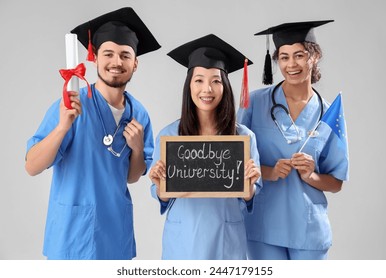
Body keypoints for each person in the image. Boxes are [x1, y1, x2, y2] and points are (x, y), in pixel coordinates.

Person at [24, 7, 161, 259]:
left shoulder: (139, 113)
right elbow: (31, 165)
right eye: (108, 53)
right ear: (95, 58)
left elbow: (131, 177)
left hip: (115, 233)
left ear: (135, 63)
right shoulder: (72, 104)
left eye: (125, 55)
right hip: (71, 234)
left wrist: (138, 148)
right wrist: (63, 126)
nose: (116, 62)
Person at [237, 20, 349, 260]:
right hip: (262, 226)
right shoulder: (254, 104)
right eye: (284, 57)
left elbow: (336, 182)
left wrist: (311, 176)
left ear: (314, 56)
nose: (291, 64)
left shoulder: (328, 115)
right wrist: (269, 172)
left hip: (308, 229)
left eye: (299, 55)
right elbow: (233, 163)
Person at [149, 34, 262, 260]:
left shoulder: (243, 137)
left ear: (225, 86)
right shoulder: (169, 135)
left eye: (216, 81)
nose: (207, 89)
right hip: (183, 238)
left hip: (225, 236)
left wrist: (250, 188)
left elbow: (251, 193)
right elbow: (160, 193)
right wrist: (159, 185)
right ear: (189, 85)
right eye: (199, 80)